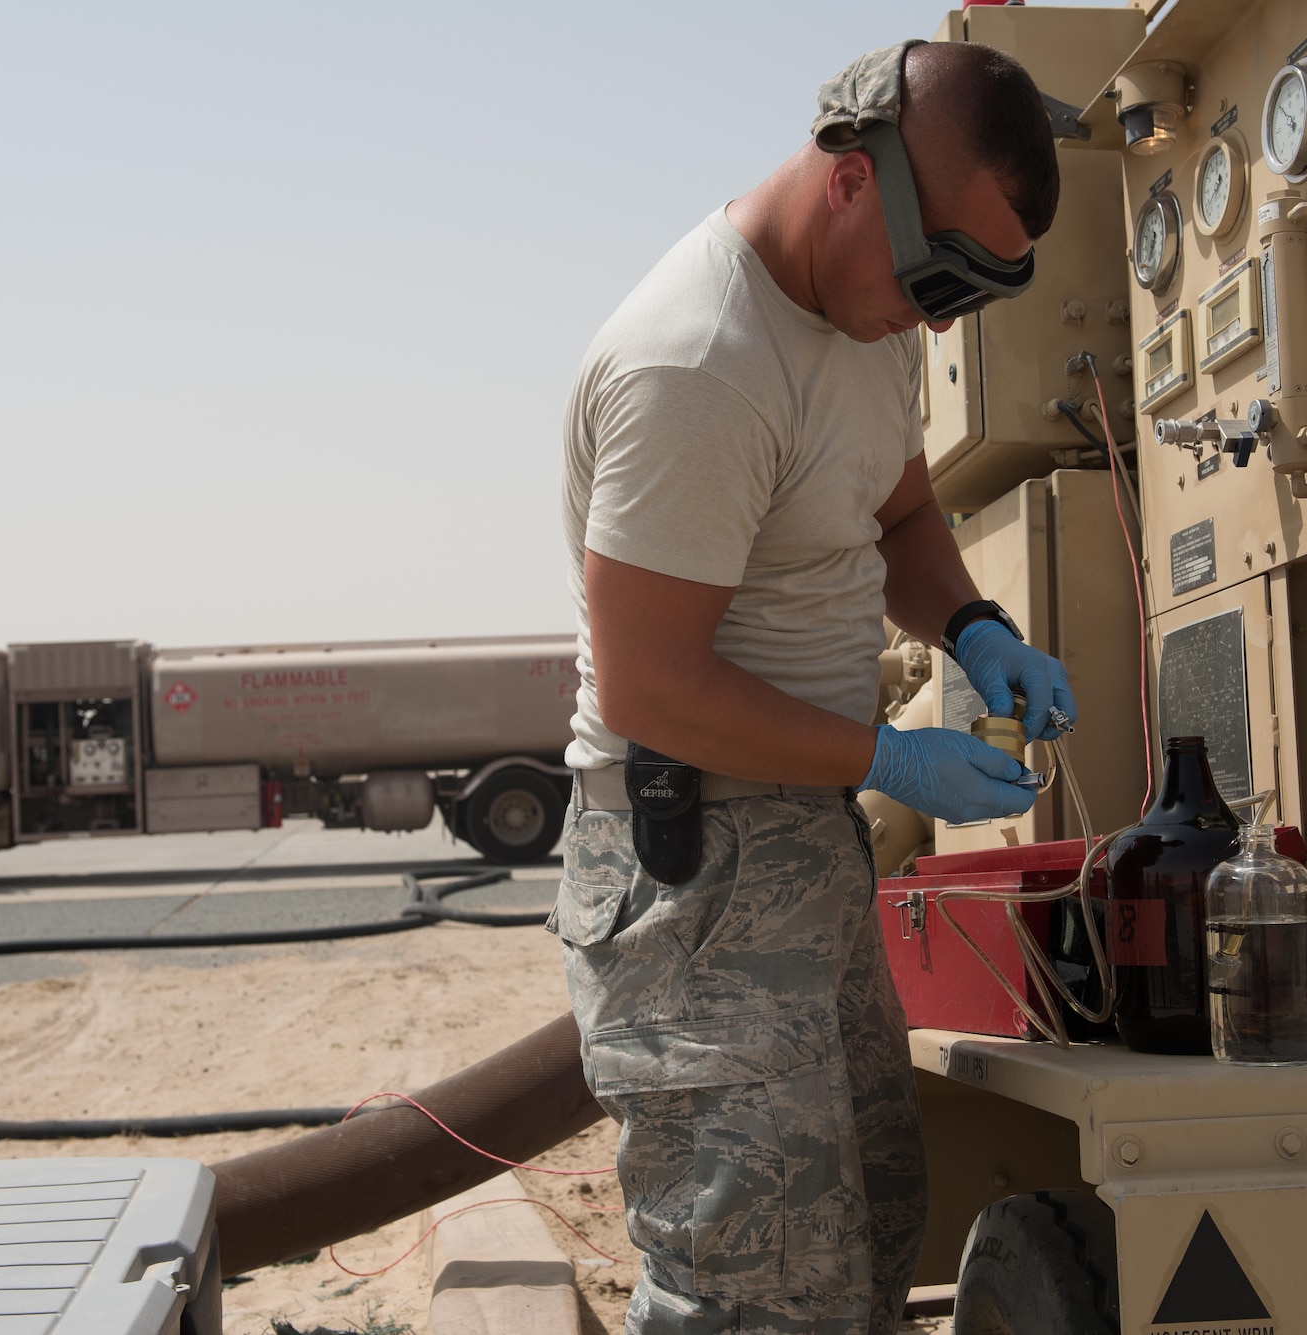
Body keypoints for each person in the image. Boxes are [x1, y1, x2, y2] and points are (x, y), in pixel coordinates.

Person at [550, 38, 1077, 1335]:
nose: (941, 318)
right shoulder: (701, 364)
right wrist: (893, 761)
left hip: (804, 834)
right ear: (854, 180)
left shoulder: (865, 320)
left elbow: (896, 511)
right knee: (753, 1294)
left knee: (870, 1228)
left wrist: (975, 624)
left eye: (978, 294)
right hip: (695, 866)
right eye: (939, 273)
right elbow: (653, 689)